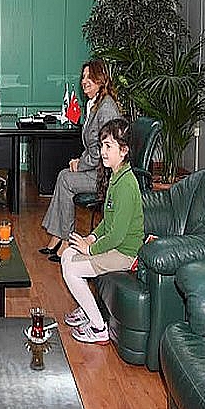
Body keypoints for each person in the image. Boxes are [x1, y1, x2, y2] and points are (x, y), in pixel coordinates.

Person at [61, 118, 144, 344]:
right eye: (102, 146)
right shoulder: (116, 177)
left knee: (71, 269)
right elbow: (108, 222)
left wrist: (91, 249)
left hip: (125, 254)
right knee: (68, 255)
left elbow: (117, 236)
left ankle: (98, 328)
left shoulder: (126, 185)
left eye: (109, 146)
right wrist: (91, 237)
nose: (103, 152)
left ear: (124, 151)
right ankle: (87, 309)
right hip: (115, 247)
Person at [40, 59, 121, 261]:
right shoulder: (95, 104)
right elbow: (93, 146)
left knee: (66, 180)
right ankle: (58, 235)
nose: (84, 81)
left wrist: (81, 164)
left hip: (104, 175)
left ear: (100, 80)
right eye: (83, 77)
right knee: (64, 175)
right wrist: (80, 160)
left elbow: (105, 149)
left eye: (89, 77)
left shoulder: (106, 109)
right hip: (95, 167)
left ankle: (66, 240)